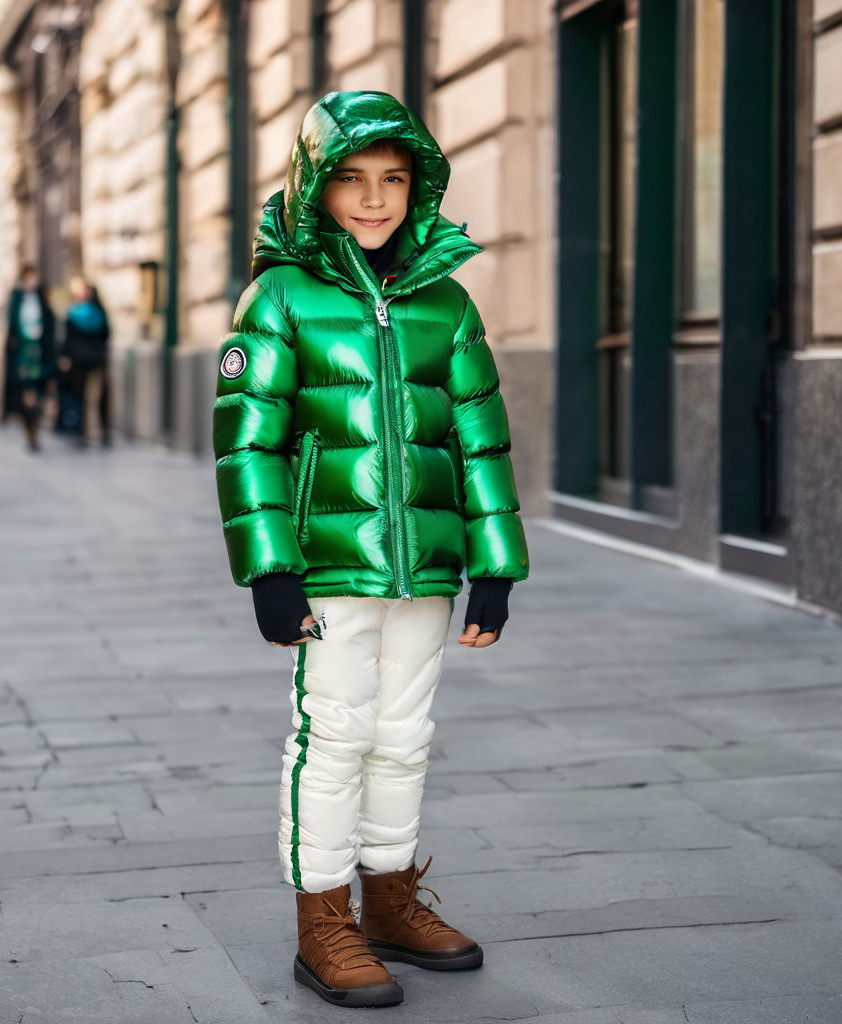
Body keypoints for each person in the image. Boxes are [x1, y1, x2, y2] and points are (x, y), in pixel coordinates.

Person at [213, 91, 529, 1009]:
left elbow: (480, 437)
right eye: (352, 179)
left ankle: (389, 898)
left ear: (419, 187)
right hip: (327, 568)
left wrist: (496, 566)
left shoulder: (447, 302)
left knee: (404, 734)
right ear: (316, 186)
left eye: (394, 179)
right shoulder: (279, 296)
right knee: (336, 732)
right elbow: (248, 443)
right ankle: (324, 921)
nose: (375, 198)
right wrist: (271, 570)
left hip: (425, 567)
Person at [5, 264, 56, 451]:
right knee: (27, 394)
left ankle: (35, 426)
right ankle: (30, 430)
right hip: (24, 356)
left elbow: (50, 328)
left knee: (39, 395)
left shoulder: (42, 300)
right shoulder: (17, 299)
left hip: (41, 357)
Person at [62, 276, 110, 447]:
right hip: (93, 359)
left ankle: (86, 431)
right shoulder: (99, 312)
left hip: (83, 360)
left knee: (85, 397)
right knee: (92, 397)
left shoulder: (73, 313)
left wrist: (66, 356)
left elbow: (67, 338)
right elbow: (106, 334)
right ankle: (97, 431)